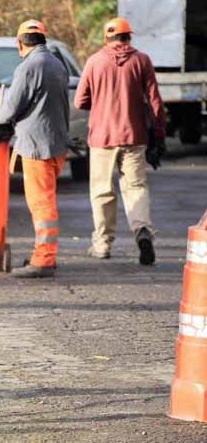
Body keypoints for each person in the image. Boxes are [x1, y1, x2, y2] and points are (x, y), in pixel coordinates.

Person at [74, 17, 165, 265]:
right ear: (129, 37)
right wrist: (158, 134)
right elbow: (155, 102)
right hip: (134, 135)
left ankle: (102, 245)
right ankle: (142, 231)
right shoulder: (142, 60)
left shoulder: (94, 61)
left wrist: (101, 102)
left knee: (102, 191)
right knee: (135, 187)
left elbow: (80, 101)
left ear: (107, 38)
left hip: (102, 137)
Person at [0, 20, 69, 278]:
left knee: (42, 205)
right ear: (43, 40)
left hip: (37, 147)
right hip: (55, 144)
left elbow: (10, 110)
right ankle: (44, 254)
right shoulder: (57, 64)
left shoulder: (28, 67)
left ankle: (44, 259)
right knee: (47, 201)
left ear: (19, 43)